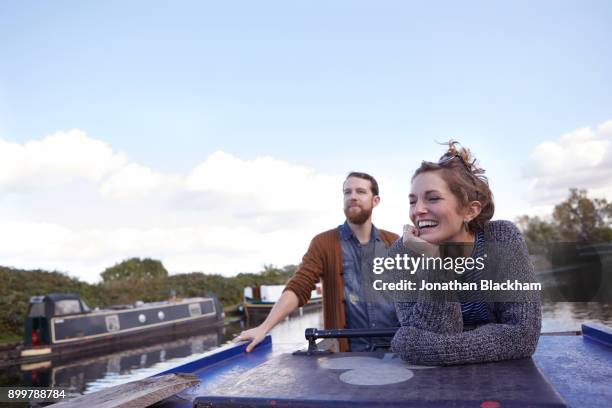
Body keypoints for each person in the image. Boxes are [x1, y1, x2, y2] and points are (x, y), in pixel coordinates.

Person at [390, 141, 541, 365]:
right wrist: (433, 263)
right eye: (413, 201)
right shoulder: (402, 254)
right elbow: (434, 331)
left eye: (433, 198)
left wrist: (414, 345)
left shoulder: (501, 238)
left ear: (470, 210)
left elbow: (523, 336)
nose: (418, 210)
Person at [235, 172, 399, 352]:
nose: (352, 197)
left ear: (375, 200)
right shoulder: (323, 243)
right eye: (347, 192)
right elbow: (300, 286)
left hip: (396, 351)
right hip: (347, 356)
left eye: (360, 191)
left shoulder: (394, 242)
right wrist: (263, 328)